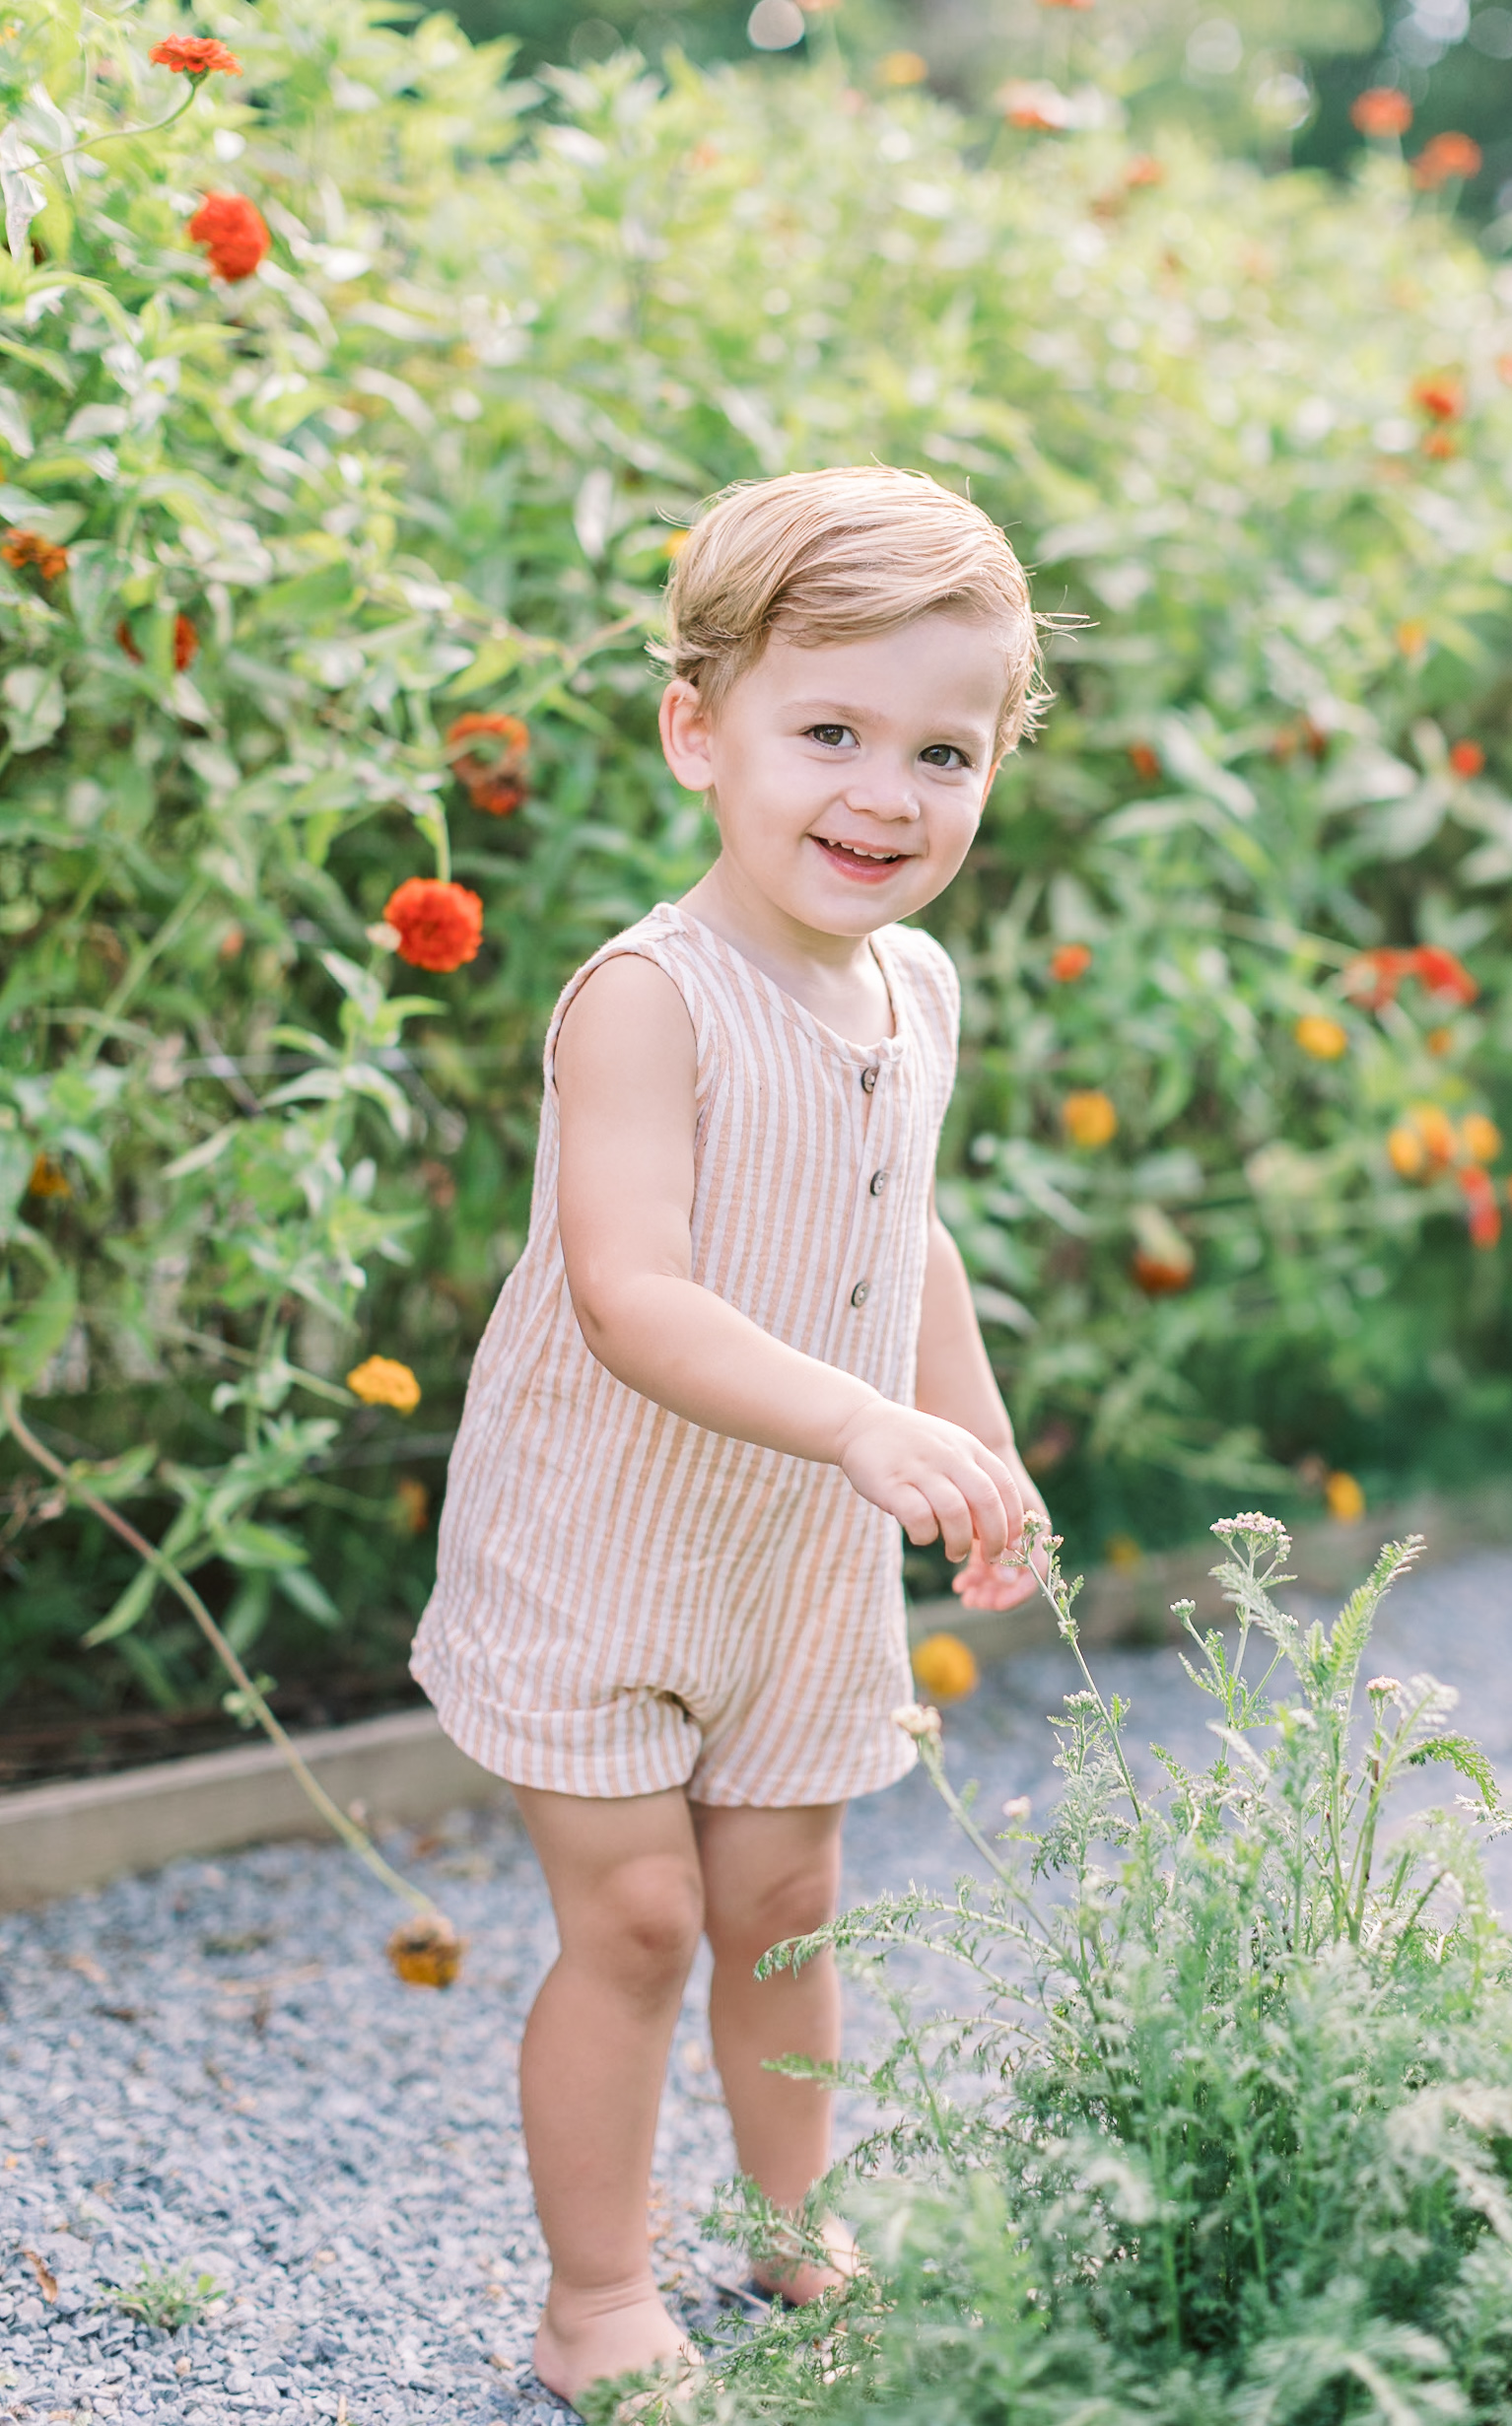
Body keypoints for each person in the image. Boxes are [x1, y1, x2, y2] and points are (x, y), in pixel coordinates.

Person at [411, 464, 1051, 2404]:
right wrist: (862, 1420)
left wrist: (973, 1439)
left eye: (942, 751)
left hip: (791, 1555)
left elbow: (901, 1226)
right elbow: (633, 1295)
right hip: (598, 1540)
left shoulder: (912, 987)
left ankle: (795, 2222)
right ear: (699, 730)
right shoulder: (648, 1000)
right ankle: (596, 2299)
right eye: (828, 732)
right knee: (635, 1919)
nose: (885, 793)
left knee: (783, 1906)